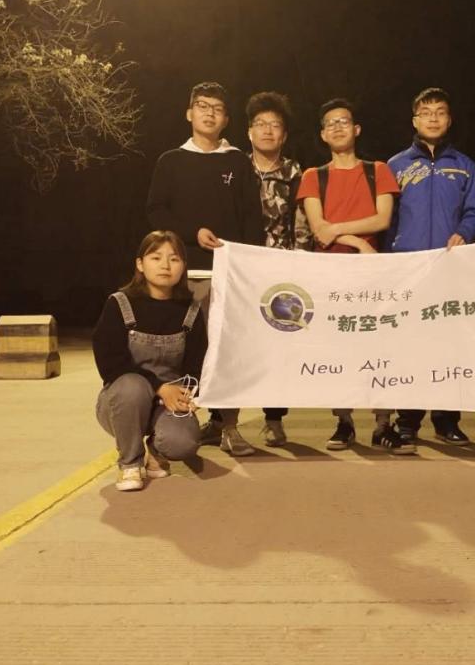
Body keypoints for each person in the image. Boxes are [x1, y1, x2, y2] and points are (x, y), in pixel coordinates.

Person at [146, 81, 264, 457]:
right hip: (184, 277)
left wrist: (250, 266)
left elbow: (252, 218)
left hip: (228, 278)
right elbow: (156, 212)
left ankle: (228, 426)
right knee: (181, 352)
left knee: (228, 352)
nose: (209, 113)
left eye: (217, 108)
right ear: (189, 113)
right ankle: (174, 422)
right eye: (202, 106)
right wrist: (191, 234)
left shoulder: (237, 162)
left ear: (226, 119)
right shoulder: (170, 161)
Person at [296, 98, 410, 454]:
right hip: (330, 275)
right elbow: (318, 229)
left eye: (344, 121)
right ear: (322, 134)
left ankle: (383, 425)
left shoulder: (378, 170)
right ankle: (344, 422)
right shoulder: (313, 176)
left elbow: (382, 219)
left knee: (380, 348)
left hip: (372, 276)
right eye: (330, 123)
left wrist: (339, 230)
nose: (337, 127)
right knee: (338, 351)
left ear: (356, 129)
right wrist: (358, 242)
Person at [386, 87, 475, 448]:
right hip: (408, 271)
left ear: (449, 119)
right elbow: (387, 219)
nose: (433, 118)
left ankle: (446, 420)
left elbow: (474, 211)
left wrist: (464, 233)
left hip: (449, 269)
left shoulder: (464, 165)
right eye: (425, 112)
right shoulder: (395, 165)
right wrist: (388, 261)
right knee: (409, 347)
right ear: (414, 120)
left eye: (440, 112)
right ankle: (407, 420)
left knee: (448, 345)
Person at [93, 231, 206, 492]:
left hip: (168, 400)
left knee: (183, 444)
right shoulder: (119, 304)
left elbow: (197, 364)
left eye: (174, 259)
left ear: (183, 266)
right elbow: (111, 364)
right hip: (122, 402)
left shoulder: (191, 310)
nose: (165, 265)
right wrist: (159, 387)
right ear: (140, 264)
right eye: (156, 258)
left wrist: (189, 394)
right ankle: (130, 463)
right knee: (132, 386)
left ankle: (157, 450)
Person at [246, 91, 311, 447]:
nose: (268, 131)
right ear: (249, 132)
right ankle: (221, 420)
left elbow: (302, 223)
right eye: (261, 124)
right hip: (242, 271)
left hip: (282, 272)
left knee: (277, 347)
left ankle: (273, 420)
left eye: (275, 125)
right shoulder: (234, 169)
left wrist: (299, 265)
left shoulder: (295, 173)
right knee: (236, 345)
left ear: (284, 135)